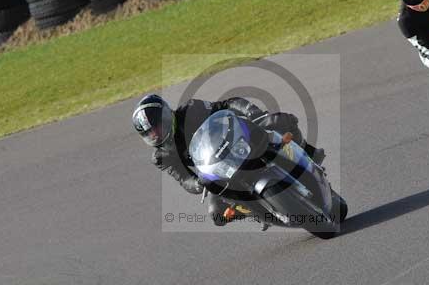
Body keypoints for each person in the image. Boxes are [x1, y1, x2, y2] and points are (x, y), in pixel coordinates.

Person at [132, 94, 324, 226]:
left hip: (236, 143)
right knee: (216, 214)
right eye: (150, 133)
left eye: (157, 127)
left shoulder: (191, 110)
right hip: (217, 171)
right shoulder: (161, 157)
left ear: (167, 115)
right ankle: (258, 212)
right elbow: (183, 179)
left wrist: (252, 112)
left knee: (280, 121)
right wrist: (199, 183)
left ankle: (307, 152)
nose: (156, 135)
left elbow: (225, 105)